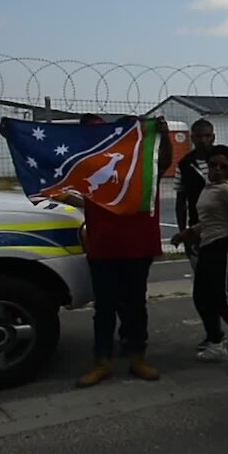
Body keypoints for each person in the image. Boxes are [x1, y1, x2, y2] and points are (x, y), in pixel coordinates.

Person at [75, 114, 175, 388]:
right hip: (103, 246)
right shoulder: (90, 163)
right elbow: (54, 160)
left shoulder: (144, 165)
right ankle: (102, 362)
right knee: (104, 307)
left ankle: (137, 358)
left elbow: (164, 162)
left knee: (135, 305)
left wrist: (164, 135)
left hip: (136, 246)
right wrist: (16, 135)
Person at [172, 145, 228, 375]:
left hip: (224, 246)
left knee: (224, 300)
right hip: (207, 246)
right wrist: (187, 233)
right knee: (201, 296)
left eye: (223, 166)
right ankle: (216, 345)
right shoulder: (209, 189)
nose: (217, 169)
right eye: (213, 165)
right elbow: (209, 220)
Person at [173, 118, 218, 348]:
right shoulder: (185, 164)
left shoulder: (224, 160)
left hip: (223, 233)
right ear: (192, 138)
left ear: (214, 136)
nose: (204, 140)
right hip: (196, 233)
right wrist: (184, 232)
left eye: (208, 136)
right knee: (203, 290)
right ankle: (213, 334)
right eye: (199, 136)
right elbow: (180, 200)